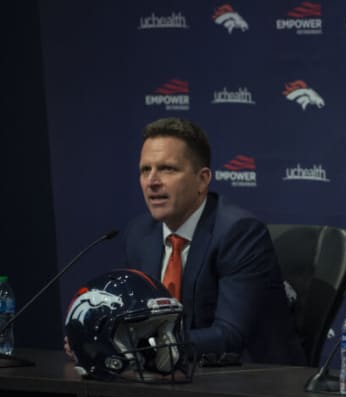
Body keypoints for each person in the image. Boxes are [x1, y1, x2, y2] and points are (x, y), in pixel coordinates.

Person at [122, 117, 306, 365]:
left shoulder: (239, 233)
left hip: (249, 382)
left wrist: (148, 346)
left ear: (203, 179)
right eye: (146, 170)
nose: (152, 181)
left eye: (168, 169)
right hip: (174, 376)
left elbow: (230, 335)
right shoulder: (140, 233)